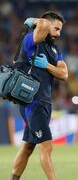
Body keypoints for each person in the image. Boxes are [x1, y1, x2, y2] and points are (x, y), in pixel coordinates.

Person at [10, 11, 68, 180]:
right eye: (56, 29)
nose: (58, 33)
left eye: (60, 30)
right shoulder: (31, 40)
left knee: (28, 147)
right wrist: (32, 20)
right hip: (32, 103)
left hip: (43, 102)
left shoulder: (54, 49)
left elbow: (64, 74)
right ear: (47, 25)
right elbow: (42, 24)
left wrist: (48, 66)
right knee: (46, 146)